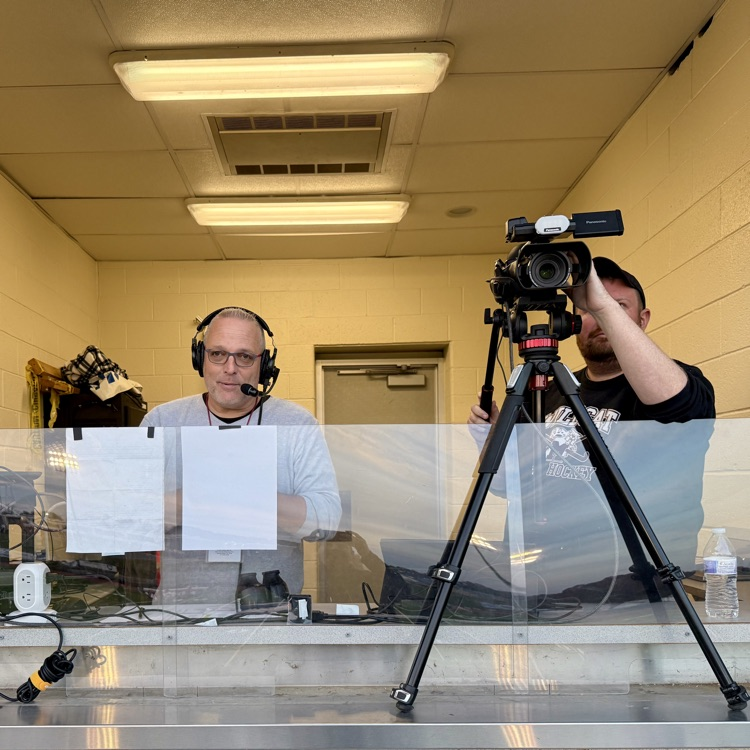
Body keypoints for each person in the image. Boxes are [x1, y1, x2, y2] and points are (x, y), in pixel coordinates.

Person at [467, 256, 716, 606]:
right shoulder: (546, 390)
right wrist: (491, 437)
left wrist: (598, 302)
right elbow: (510, 486)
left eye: (618, 306)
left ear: (642, 319)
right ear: (571, 321)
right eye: (587, 309)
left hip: (636, 589)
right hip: (542, 587)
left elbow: (675, 407)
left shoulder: (676, 380)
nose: (599, 317)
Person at [140, 306, 341, 603]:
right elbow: (126, 517)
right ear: (200, 358)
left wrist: (250, 500)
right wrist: (190, 501)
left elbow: (328, 520)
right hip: (179, 617)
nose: (230, 368)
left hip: (269, 616)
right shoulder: (162, 422)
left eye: (244, 356)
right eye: (217, 354)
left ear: (265, 365)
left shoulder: (296, 424)